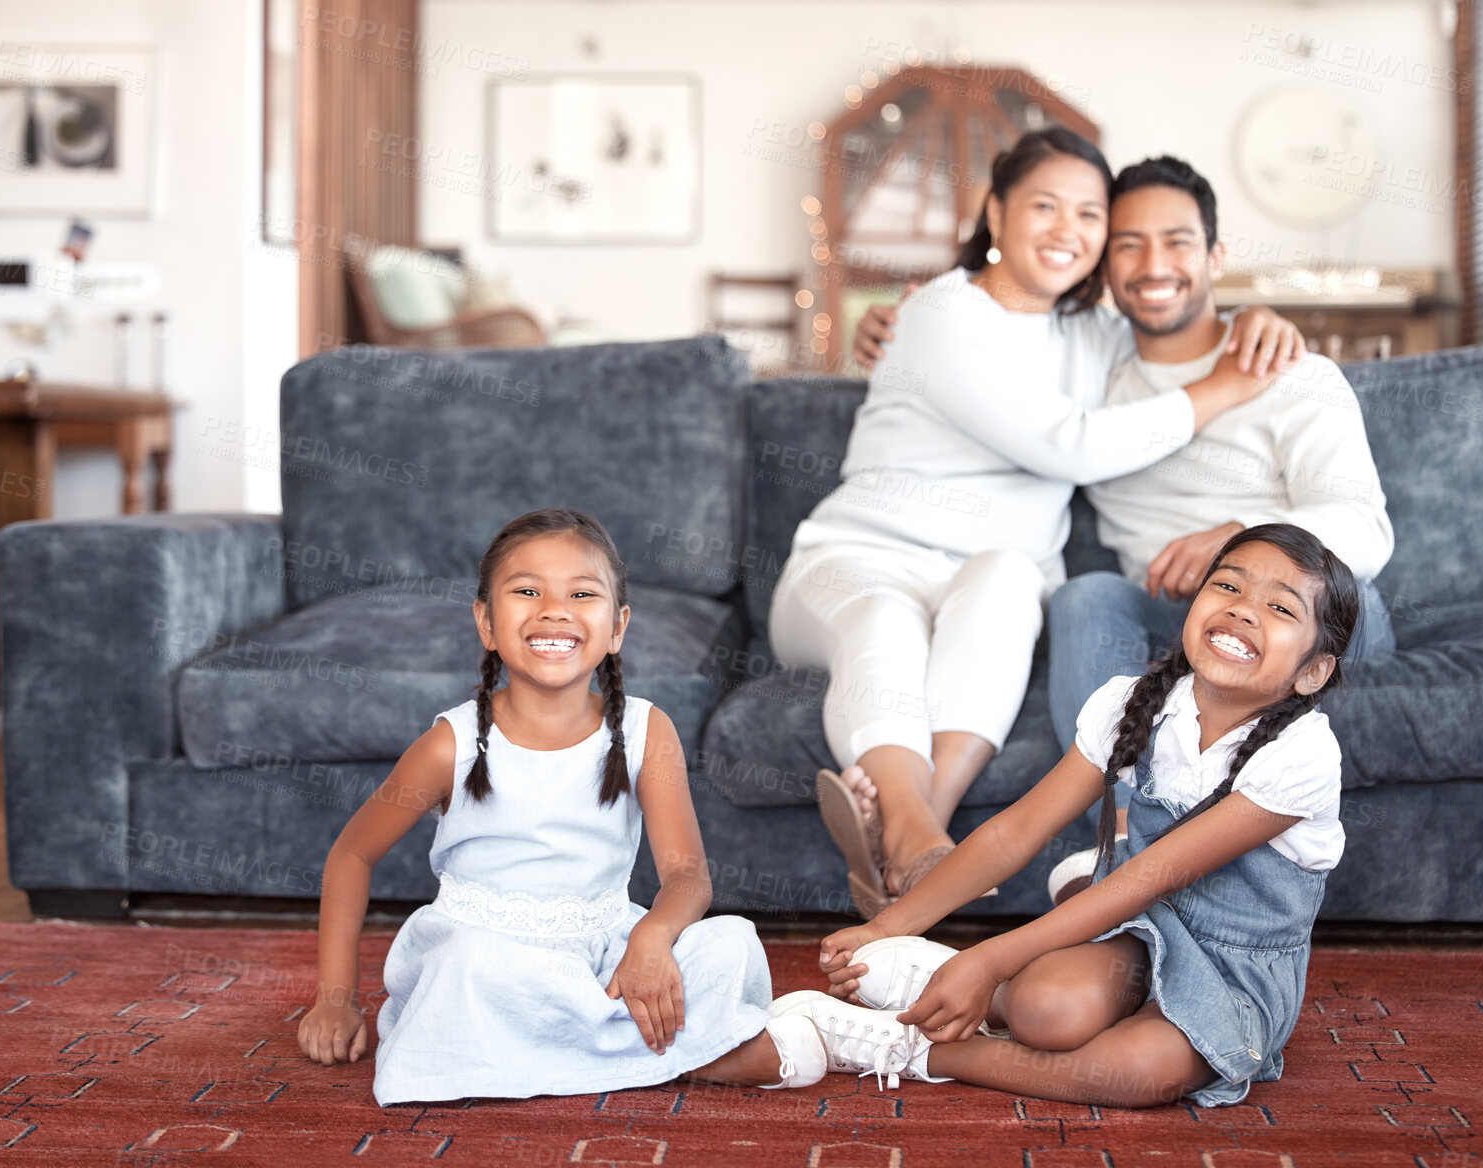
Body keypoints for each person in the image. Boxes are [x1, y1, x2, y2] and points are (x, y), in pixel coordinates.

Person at [770, 127, 1305, 919]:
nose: (1068, 230)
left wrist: (1255, 314)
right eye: (1044, 206)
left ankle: (917, 835)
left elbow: (1176, 311)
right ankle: (916, 837)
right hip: (857, 558)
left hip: (984, 570)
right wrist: (1222, 389)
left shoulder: (1092, 330)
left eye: (1089, 215)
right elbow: (1071, 445)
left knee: (1011, 578)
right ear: (995, 211)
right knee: (882, 618)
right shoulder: (941, 312)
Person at [851, 156, 1394, 901]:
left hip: (1306, 611)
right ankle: (1113, 843)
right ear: (1103, 266)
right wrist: (901, 324)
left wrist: (1238, 541)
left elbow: (1362, 525)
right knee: (1085, 596)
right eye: (1127, 245)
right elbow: (992, 338)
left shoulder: (1287, 369)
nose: (1152, 265)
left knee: (1337, 604)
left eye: (1176, 242)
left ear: (1214, 257)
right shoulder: (1094, 374)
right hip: (1171, 618)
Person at [786, 523, 1358, 1107]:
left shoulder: (1300, 755)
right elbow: (1015, 832)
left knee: (1139, 1071)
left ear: (1313, 671)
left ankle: (911, 1047)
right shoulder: (1133, 705)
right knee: (1045, 1009)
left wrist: (985, 962)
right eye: (1228, 587)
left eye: (1280, 607)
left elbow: (1148, 878)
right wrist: (888, 926)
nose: (1243, 612)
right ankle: (945, 979)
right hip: (1140, 930)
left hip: (1233, 969)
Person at [297, 508, 831, 1102]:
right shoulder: (449, 744)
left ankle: (585, 1048)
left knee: (728, 941)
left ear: (617, 626)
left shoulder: (647, 730)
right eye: (527, 591)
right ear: (486, 622)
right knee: (474, 968)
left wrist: (651, 938)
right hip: (487, 961)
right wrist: (336, 1000)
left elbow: (687, 877)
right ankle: (696, 1054)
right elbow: (351, 855)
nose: (554, 609)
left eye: (582, 593)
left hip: (605, 955)